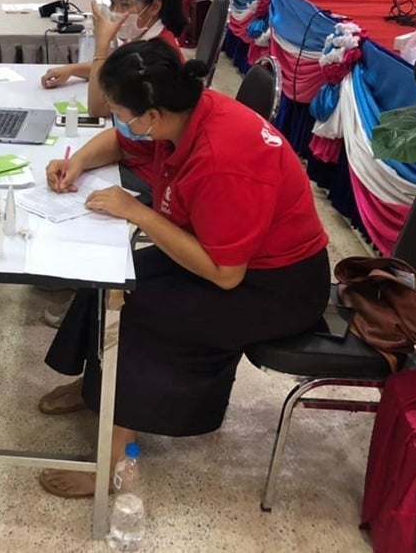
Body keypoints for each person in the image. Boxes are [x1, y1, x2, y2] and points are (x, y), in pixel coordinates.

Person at [35, 39, 331, 498]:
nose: (115, 118)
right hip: (235, 257)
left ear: (151, 116)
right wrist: (77, 163)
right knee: (113, 271)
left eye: (119, 111)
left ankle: (115, 466)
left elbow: (225, 274)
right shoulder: (183, 113)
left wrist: (137, 212)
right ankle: (98, 384)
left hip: (277, 287)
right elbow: (121, 141)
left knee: (134, 309)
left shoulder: (221, 160)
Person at [41, 0, 186, 116]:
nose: (116, 11)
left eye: (125, 4)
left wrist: (102, 45)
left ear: (154, 7)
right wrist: (72, 70)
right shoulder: (142, 38)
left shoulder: (159, 55)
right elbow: (115, 69)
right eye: (113, 2)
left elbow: (97, 109)